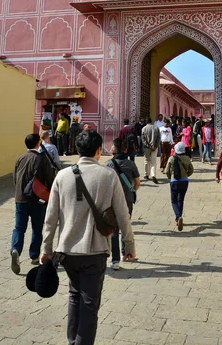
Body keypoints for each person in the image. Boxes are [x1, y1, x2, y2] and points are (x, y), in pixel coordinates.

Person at [41, 130, 136, 345]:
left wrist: (46, 250)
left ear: (76, 150)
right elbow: (123, 214)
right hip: (95, 251)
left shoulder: (62, 176)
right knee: (90, 304)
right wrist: (129, 245)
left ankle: (72, 340)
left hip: (67, 250)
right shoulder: (108, 176)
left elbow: (50, 217)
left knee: (75, 295)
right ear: (98, 151)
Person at [10, 133, 55, 274]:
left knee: (19, 227)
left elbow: (15, 178)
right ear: (38, 143)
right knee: (37, 228)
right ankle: (34, 255)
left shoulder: (20, 158)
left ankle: (15, 249)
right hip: (37, 200)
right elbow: (50, 179)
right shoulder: (42, 159)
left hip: (20, 198)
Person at [105, 138, 140, 270]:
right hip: (127, 200)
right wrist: (132, 191)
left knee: (114, 230)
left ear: (114, 149)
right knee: (126, 226)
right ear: (125, 150)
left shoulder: (108, 164)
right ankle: (127, 253)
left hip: (112, 201)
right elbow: (137, 183)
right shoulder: (131, 164)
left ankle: (115, 260)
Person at [165, 142, 194, 231]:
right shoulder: (187, 158)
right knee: (180, 199)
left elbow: (167, 171)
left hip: (174, 182)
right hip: (184, 182)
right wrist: (186, 175)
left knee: (174, 200)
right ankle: (179, 218)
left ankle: (178, 217)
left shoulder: (171, 158)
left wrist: (171, 178)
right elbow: (191, 170)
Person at [141, 117, 161, 184]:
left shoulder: (144, 128)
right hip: (154, 147)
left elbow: (143, 139)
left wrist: (149, 146)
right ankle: (153, 175)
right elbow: (158, 138)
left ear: (146, 122)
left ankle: (146, 174)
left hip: (147, 147)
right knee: (153, 161)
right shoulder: (156, 128)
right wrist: (155, 146)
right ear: (151, 121)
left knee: (146, 160)